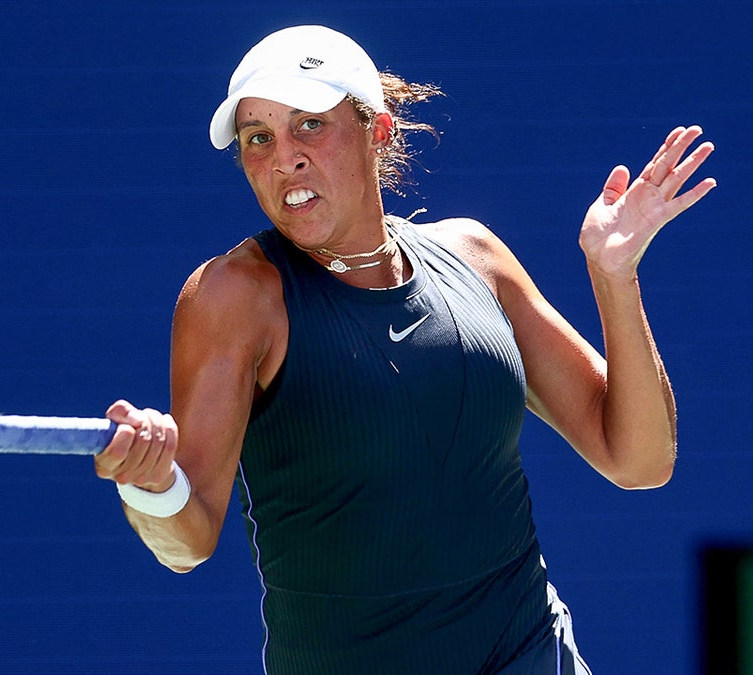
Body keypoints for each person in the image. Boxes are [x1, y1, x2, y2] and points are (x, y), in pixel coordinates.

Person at [93, 24, 716, 674]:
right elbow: (186, 540)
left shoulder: (475, 256)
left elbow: (641, 459)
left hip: (534, 655)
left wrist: (614, 277)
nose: (284, 158)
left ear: (376, 130)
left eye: (310, 124)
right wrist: (152, 483)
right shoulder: (233, 297)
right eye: (258, 139)